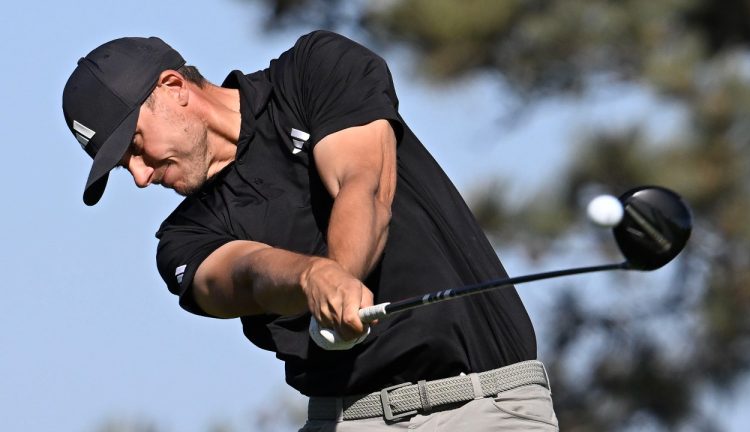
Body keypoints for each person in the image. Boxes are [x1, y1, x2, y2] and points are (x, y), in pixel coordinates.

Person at [62, 31, 559, 431]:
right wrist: (311, 278)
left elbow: (362, 185)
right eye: (124, 167)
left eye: (134, 147)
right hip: (346, 420)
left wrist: (340, 276)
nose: (142, 176)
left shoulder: (313, 72)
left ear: (173, 89)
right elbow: (247, 275)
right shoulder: (182, 240)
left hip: (487, 407)